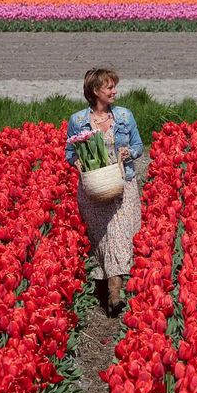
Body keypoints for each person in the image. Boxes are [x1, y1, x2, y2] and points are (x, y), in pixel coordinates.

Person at [65, 68, 143, 317]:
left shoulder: (124, 116)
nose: (114, 91)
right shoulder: (78, 121)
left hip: (122, 184)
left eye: (114, 87)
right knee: (102, 237)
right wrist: (77, 162)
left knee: (119, 234)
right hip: (94, 188)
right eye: (109, 87)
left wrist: (128, 153)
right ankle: (106, 286)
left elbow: (138, 145)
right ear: (95, 91)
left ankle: (114, 292)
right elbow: (69, 153)